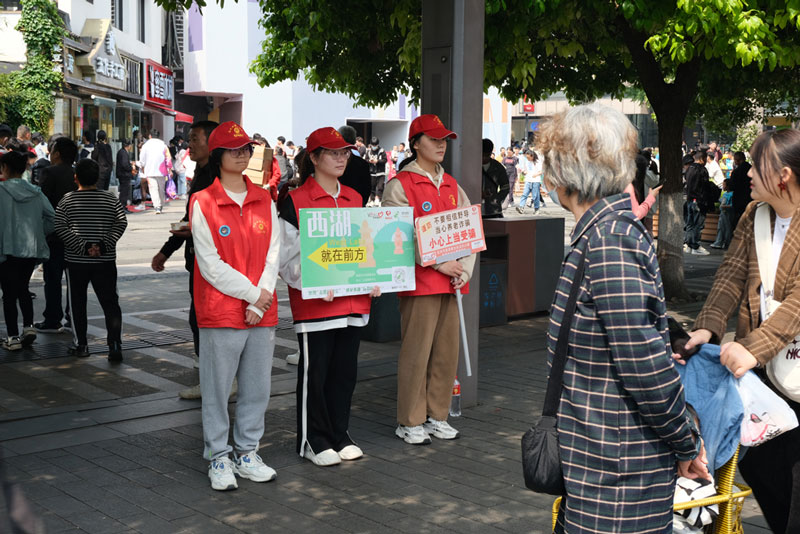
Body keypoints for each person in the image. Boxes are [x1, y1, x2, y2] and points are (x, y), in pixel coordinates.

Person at [538, 103, 707, 534]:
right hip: (604, 462)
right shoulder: (605, 234)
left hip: (616, 471)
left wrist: (683, 439)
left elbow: (644, 365)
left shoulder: (609, 240)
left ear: (565, 171)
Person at [682, 128, 800, 534]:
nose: (747, 172)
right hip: (764, 379)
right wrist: (708, 329)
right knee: (762, 468)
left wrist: (753, 347)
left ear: (783, 174)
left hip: (794, 370)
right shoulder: (755, 215)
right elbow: (730, 276)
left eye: (755, 165)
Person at [278, 126, 379, 466]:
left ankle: (340, 433)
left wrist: (375, 276)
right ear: (315, 158)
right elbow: (286, 260)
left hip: (353, 302)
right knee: (316, 373)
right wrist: (316, 282)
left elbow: (366, 248)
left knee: (345, 372)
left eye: (345, 153)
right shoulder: (294, 201)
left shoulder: (354, 197)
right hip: (316, 305)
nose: (341, 158)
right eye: (333, 153)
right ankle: (313, 438)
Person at [190, 121, 280, 490]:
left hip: (261, 311)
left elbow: (274, 253)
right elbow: (209, 264)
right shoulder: (203, 201)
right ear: (218, 156)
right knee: (216, 389)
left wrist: (261, 300)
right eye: (234, 149)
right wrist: (253, 295)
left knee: (257, 388)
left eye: (246, 149)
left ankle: (246, 452)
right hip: (221, 310)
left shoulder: (264, 198)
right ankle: (218, 456)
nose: (242, 155)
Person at [383, 114, 476, 445]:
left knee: (446, 352)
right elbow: (399, 236)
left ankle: (438, 415)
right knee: (417, 352)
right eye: (433, 139)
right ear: (415, 144)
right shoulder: (400, 185)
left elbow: (469, 231)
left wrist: (463, 269)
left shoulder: (451, 185)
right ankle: (409, 420)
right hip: (420, 284)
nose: (441, 145)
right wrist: (440, 264)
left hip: (452, 284)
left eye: (444, 140)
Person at [151, 120, 219, 400]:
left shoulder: (216, 176)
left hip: (212, 262)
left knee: (205, 319)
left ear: (212, 143)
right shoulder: (202, 173)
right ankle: (214, 377)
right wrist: (167, 249)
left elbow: (207, 222)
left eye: (194, 139)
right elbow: (190, 220)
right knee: (199, 318)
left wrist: (169, 247)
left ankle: (217, 381)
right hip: (198, 260)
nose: (188, 144)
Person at [55, 159, 127, 360]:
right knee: (110, 302)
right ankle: (114, 345)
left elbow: (59, 226)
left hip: (76, 261)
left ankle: (81, 345)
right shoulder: (110, 199)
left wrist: (83, 246)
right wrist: (104, 244)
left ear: (75, 177)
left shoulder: (67, 200)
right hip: (105, 261)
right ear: (98, 177)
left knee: (77, 303)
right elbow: (121, 222)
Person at [0, 150, 54, 350]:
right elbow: (53, 219)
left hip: (6, 249)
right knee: (23, 288)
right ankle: (29, 327)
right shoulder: (35, 192)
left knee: (8, 293)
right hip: (30, 249)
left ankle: (13, 337)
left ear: (4, 168)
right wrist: (40, 232)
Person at [35, 137, 78, 332]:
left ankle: (52, 318)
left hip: (54, 234)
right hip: (76, 234)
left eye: (51, 150)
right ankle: (72, 316)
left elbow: (43, 202)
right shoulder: (77, 173)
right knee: (74, 280)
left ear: (57, 153)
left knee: (52, 279)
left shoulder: (49, 172)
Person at [684, 149, 711, 255]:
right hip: (699, 201)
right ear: (702, 159)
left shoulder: (689, 169)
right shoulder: (702, 170)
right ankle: (695, 245)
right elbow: (705, 186)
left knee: (690, 223)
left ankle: (689, 245)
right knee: (698, 225)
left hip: (690, 199)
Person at [337, 125, 371, 206]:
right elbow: (367, 189)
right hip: (357, 206)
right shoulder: (363, 164)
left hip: (338, 206)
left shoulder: (332, 162)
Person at [138, 129, 170, 214]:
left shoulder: (146, 145)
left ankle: (157, 206)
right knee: (161, 189)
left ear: (150, 136)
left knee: (153, 189)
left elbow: (142, 159)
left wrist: (141, 164)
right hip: (162, 171)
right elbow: (168, 157)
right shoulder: (163, 144)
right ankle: (161, 204)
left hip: (150, 170)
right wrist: (169, 168)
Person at [481, 138, 509, 218]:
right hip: (474, 209)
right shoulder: (472, 165)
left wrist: (497, 199)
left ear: (490, 153)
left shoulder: (498, 167)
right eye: (482, 155)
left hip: (493, 210)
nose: (484, 158)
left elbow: (506, 186)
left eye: (486, 155)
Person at [515, 149, 544, 214]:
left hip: (536, 181)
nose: (527, 158)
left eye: (528, 157)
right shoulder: (527, 161)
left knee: (535, 196)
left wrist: (536, 175)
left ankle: (537, 209)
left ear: (532, 156)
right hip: (528, 180)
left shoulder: (538, 162)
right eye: (526, 157)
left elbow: (541, 171)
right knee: (524, 194)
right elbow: (526, 170)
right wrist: (524, 172)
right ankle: (521, 207)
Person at [728, 151, 752, 228]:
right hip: (750, 199)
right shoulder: (752, 169)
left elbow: (731, 186)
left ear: (737, 160)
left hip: (738, 200)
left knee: (738, 222)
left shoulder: (736, 172)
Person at [709, 179, 734, 250]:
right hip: (723, 213)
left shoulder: (732, 194)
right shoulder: (725, 194)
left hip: (727, 213)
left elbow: (732, 205)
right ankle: (719, 242)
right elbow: (721, 201)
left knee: (727, 228)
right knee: (720, 228)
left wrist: (725, 206)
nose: (723, 186)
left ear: (728, 186)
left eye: (724, 185)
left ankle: (726, 243)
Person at [365, 136, 387, 206]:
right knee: (372, 186)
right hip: (372, 172)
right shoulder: (368, 151)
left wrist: (377, 161)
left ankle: (378, 199)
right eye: (373, 145)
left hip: (380, 171)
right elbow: (365, 160)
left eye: (375, 145)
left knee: (380, 186)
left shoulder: (382, 151)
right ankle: (372, 199)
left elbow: (385, 160)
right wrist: (370, 161)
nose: (374, 147)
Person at [116, 139, 134, 209]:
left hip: (123, 174)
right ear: (128, 146)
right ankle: (122, 206)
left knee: (124, 191)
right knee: (124, 191)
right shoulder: (123, 153)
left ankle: (124, 205)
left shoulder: (122, 152)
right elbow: (124, 164)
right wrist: (130, 168)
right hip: (124, 174)